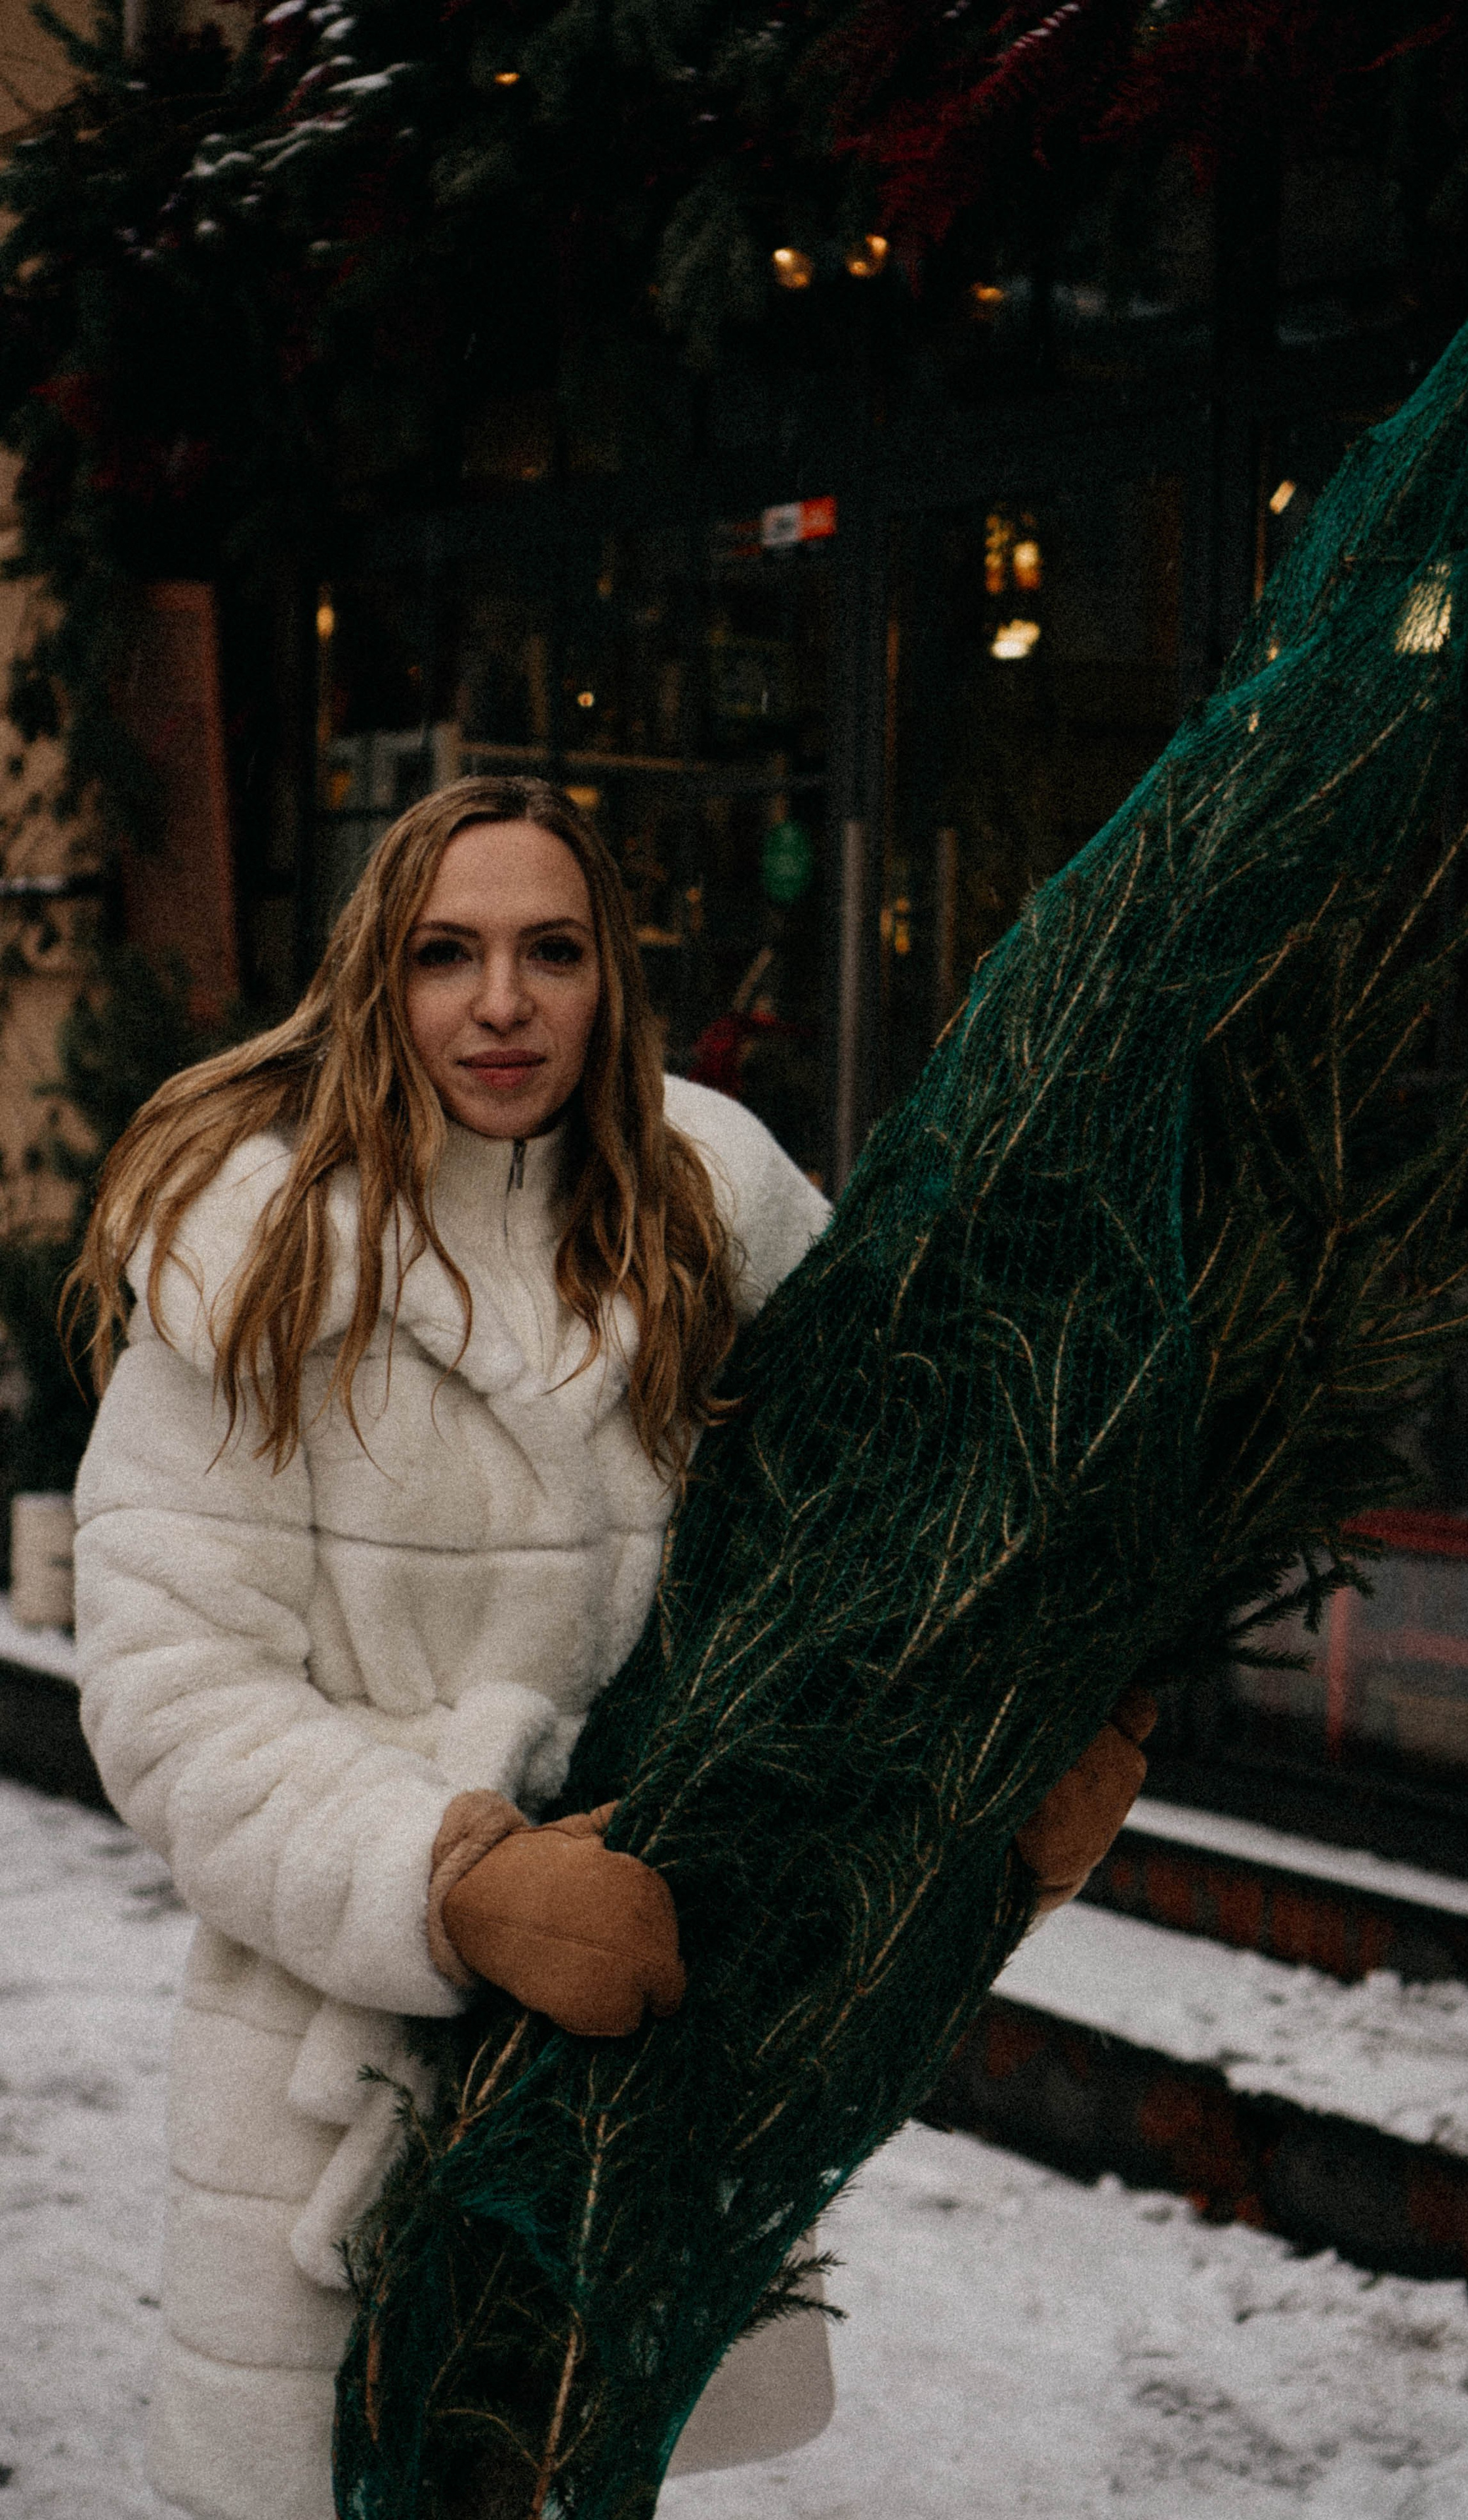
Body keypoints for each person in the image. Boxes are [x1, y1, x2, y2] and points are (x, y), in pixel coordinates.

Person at [68, 775, 1150, 2520]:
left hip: (647, 2067)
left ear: (610, 979)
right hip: (343, 2079)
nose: (501, 1003)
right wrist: (452, 1881)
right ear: (378, 979)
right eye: (448, 954)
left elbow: (838, 1586)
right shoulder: (262, 1259)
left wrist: (986, 1805)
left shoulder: (716, 1211)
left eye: (549, 951)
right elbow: (168, 1690)